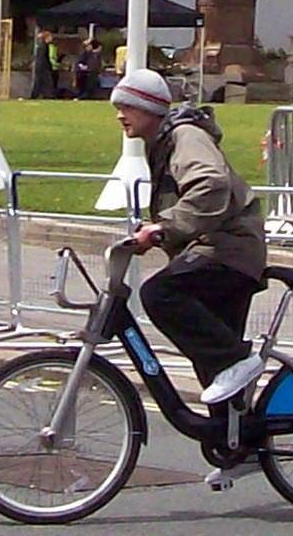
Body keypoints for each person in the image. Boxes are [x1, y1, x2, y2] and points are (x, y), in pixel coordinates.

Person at [106, 67, 273, 425]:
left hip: (227, 250)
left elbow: (211, 185)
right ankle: (235, 443)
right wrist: (155, 231)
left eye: (128, 106)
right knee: (216, 376)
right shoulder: (166, 142)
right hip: (220, 250)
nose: (121, 114)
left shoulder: (185, 136)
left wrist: (164, 229)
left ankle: (237, 360)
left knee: (159, 294)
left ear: (151, 109)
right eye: (118, 107)